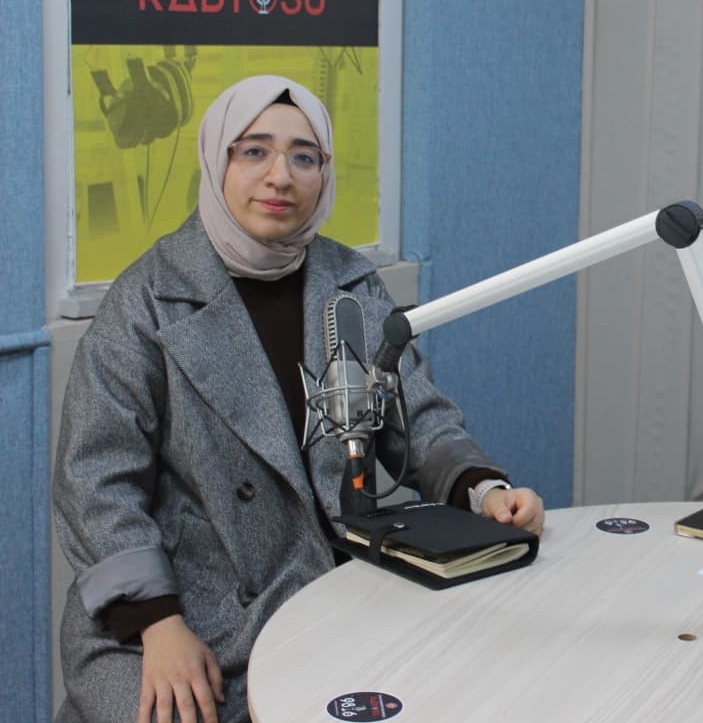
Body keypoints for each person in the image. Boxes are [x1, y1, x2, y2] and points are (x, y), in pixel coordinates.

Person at [52, 75, 544, 723]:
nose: (280, 176)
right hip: (179, 613)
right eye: (253, 151)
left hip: (331, 584)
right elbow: (94, 481)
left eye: (303, 157)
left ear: (324, 173)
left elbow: (416, 413)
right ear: (216, 159)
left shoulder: (351, 284)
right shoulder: (146, 300)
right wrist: (159, 624)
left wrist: (483, 489)